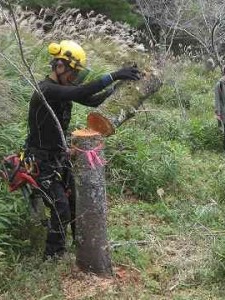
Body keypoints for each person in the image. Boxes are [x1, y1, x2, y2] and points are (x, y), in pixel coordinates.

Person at [26, 40, 140, 259]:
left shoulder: (63, 89)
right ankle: (53, 256)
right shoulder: (46, 89)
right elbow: (81, 92)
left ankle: (83, 247)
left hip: (59, 157)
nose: (74, 80)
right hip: (41, 160)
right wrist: (114, 75)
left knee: (73, 202)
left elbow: (93, 100)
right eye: (73, 73)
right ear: (59, 67)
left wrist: (119, 89)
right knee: (60, 208)